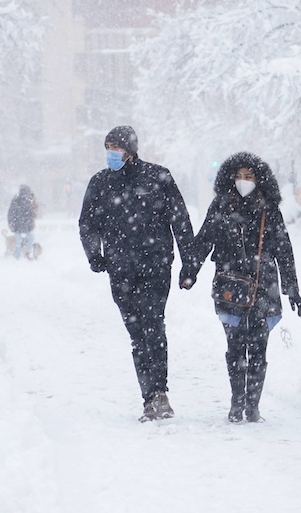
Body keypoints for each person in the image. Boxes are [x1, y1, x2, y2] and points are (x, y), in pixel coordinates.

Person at [181, 151, 301, 423]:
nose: (243, 181)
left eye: (248, 176)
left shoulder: (269, 209)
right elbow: (204, 240)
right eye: (238, 176)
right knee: (235, 347)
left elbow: (284, 250)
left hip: (264, 286)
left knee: (259, 348)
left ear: (259, 179)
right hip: (230, 287)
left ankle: (253, 406)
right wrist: (189, 271)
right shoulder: (220, 206)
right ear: (229, 178)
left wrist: (292, 289)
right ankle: (236, 403)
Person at [79, 125, 195, 422]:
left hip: (155, 267)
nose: (110, 153)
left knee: (153, 326)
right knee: (137, 334)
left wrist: (189, 263)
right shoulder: (101, 183)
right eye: (107, 147)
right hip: (121, 270)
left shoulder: (158, 177)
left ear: (130, 149)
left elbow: (180, 220)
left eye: (115, 147)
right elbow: (87, 224)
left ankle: (159, 394)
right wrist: (94, 254)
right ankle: (149, 397)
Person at [7, 185, 38, 259]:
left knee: (29, 238)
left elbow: (33, 212)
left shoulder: (30, 201)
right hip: (19, 224)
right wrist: (10, 222)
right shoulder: (16, 200)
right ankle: (17, 255)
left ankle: (26, 253)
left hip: (25, 223)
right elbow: (11, 212)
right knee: (19, 241)